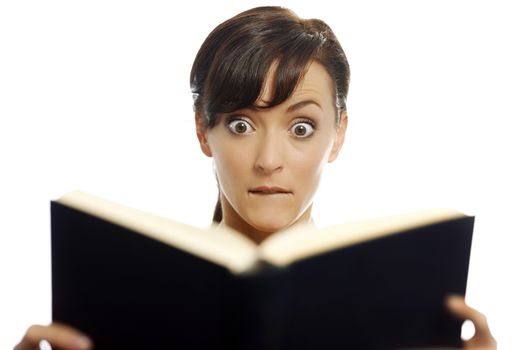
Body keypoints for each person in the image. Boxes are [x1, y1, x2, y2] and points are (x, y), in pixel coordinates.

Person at [14, 6, 496, 350]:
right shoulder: (120, 297)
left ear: (339, 134)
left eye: (301, 127)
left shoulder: (404, 312)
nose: (269, 160)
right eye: (240, 125)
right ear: (203, 130)